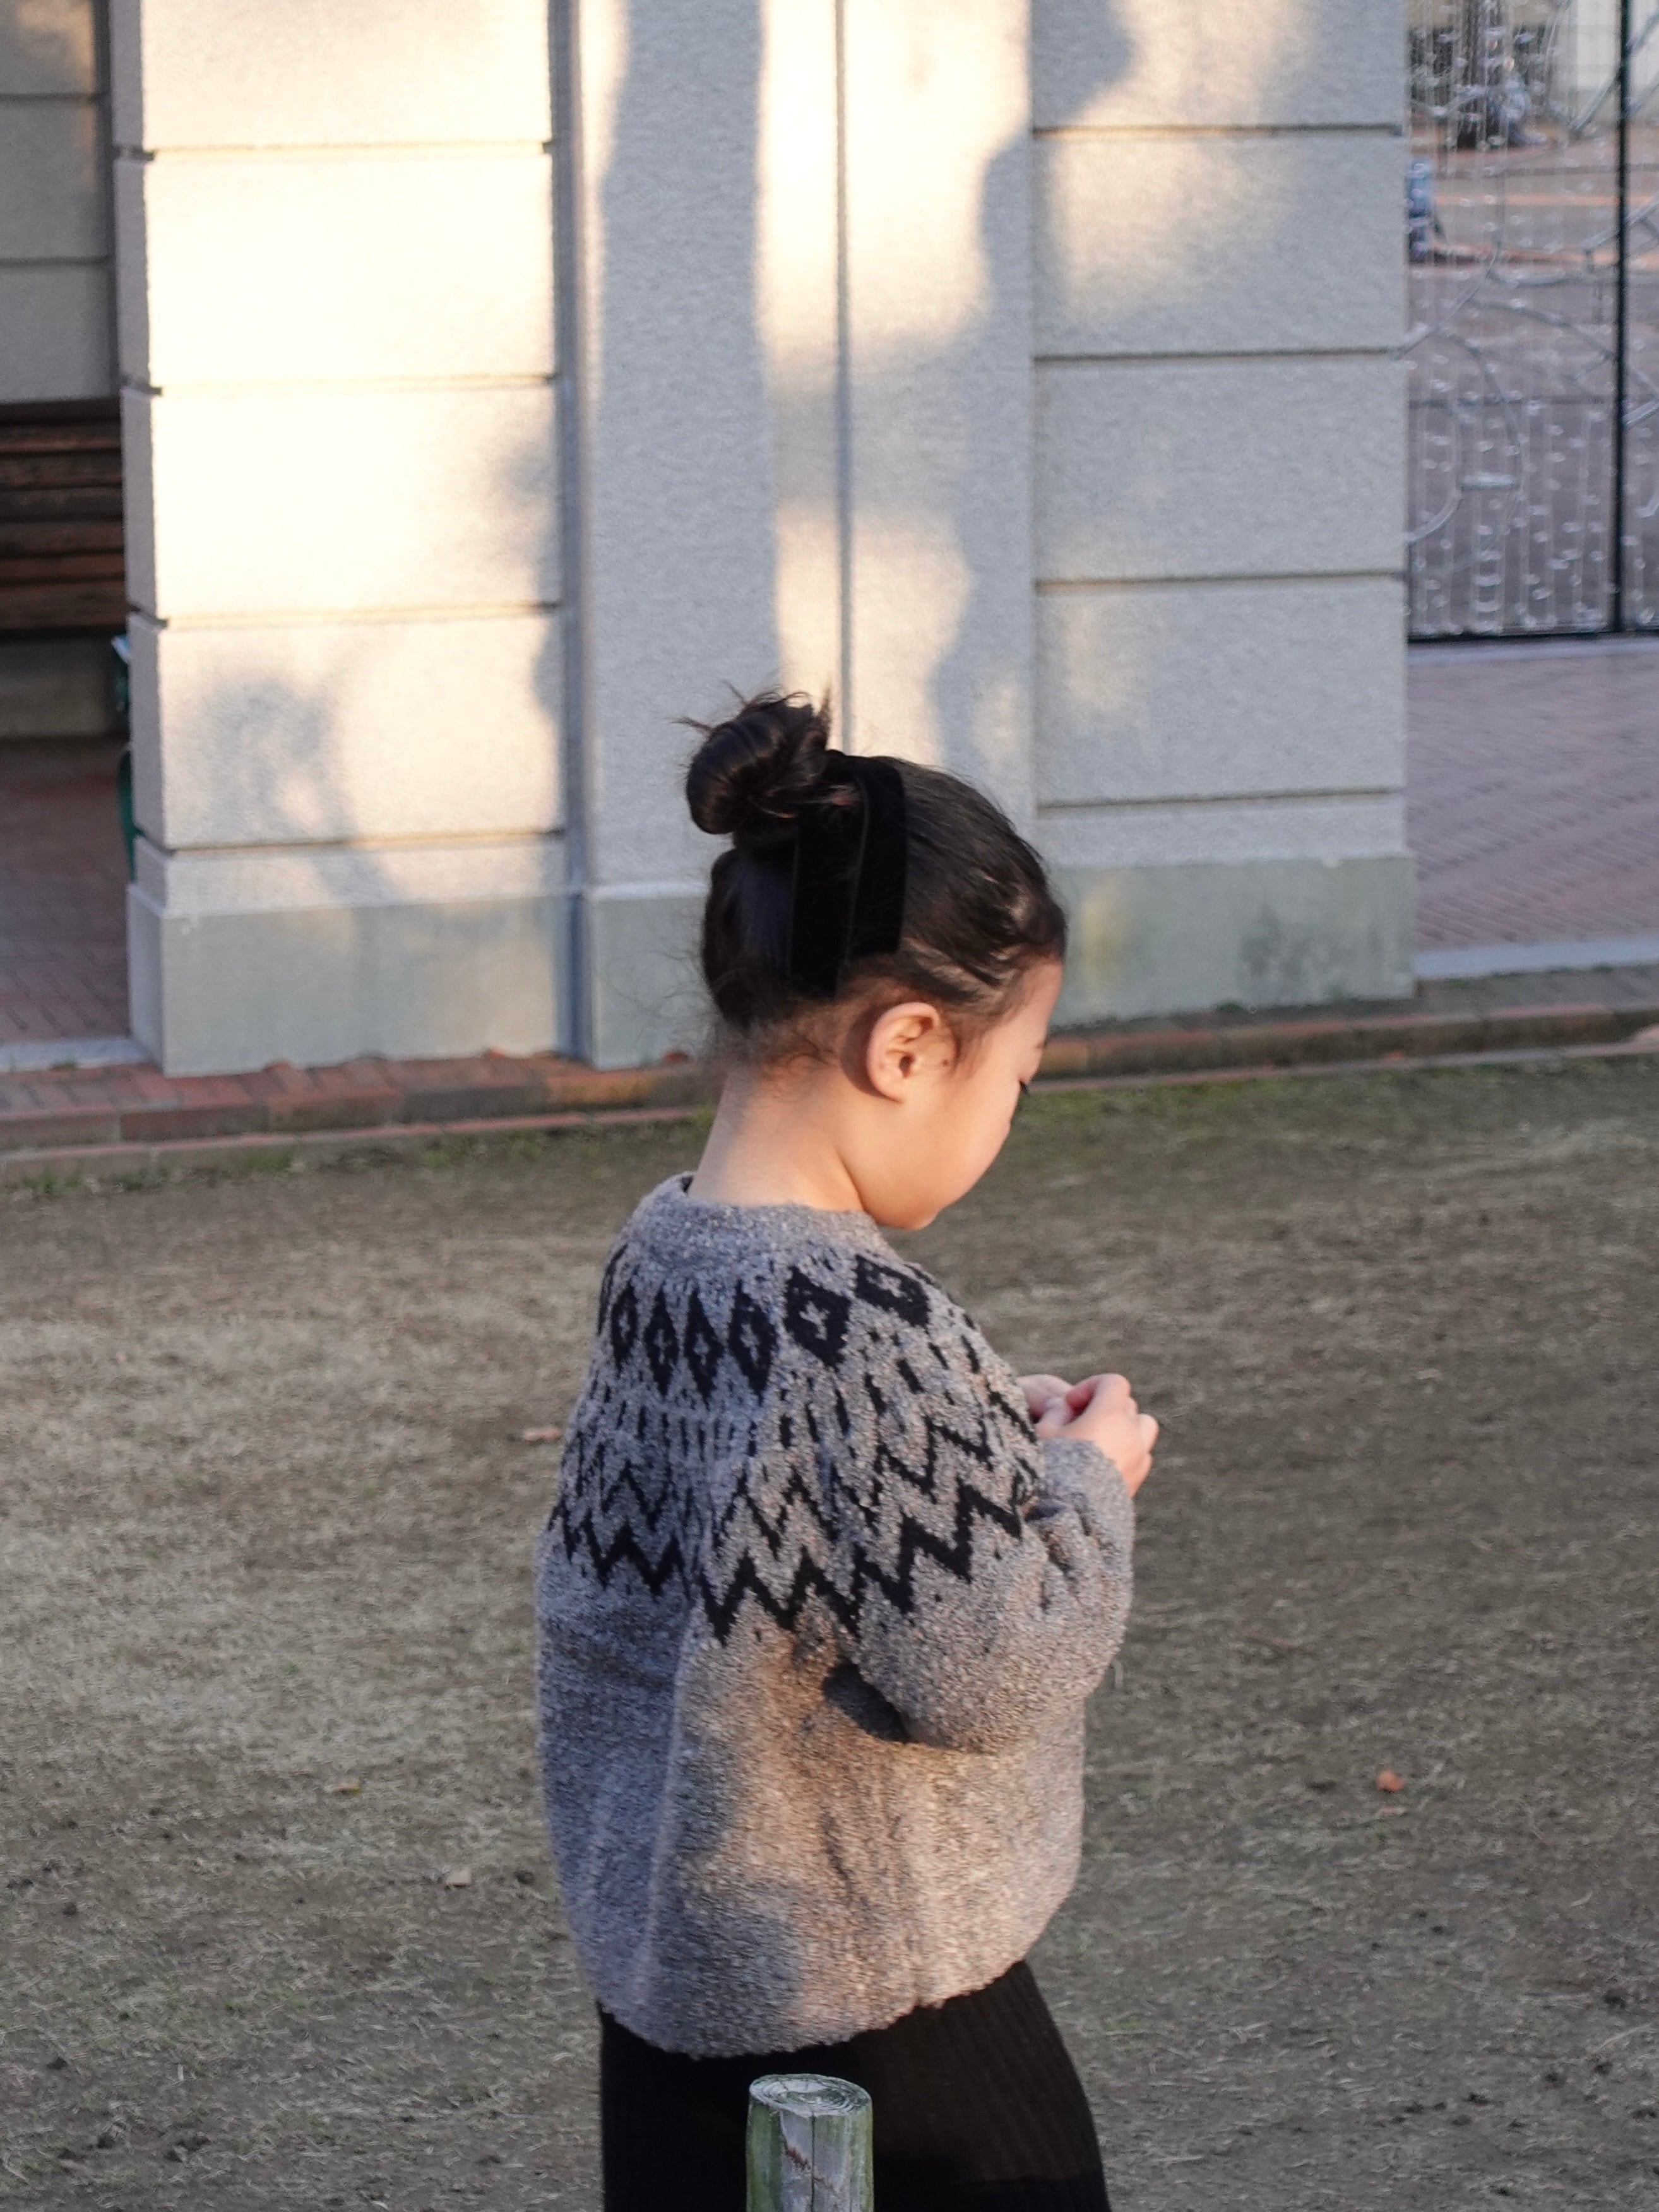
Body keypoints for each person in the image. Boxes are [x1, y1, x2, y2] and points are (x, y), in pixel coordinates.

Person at [535, 694, 1158, 2210]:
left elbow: (780, 1507)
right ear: (909, 1045)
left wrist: (984, 1431)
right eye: (1017, 1079)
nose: (1010, 1117)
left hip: (678, 2007)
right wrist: (1090, 1481)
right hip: (884, 2020)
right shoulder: (865, 1322)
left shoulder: (664, 1254)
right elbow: (993, 1663)